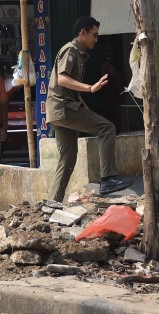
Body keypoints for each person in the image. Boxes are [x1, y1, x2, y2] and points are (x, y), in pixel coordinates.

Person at [47, 18, 131, 200]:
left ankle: (52, 203)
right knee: (107, 128)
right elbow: (62, 79)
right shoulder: (71, 50)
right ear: (82, 33)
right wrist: (90, 88)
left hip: (59, 109)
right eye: (94, 35)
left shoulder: (79, 53)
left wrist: (84, 105)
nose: (96, 39)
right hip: (64, 108)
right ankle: (108, 178)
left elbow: (68, 86)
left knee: (68, 159)